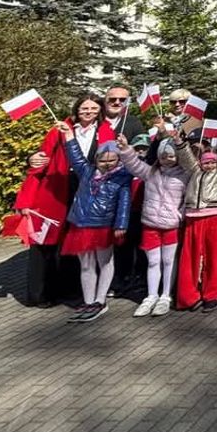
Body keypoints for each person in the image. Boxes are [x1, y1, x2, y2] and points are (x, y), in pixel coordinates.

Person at [11, 94, 116, 307]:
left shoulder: (106, 132)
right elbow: (40, 161)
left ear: (100, 111)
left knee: (76, 241)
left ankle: (70, 290)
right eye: (84, 108)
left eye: (94, 109)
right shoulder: (59, 130)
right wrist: (30, 162)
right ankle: (40, 294)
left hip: (88, 192)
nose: (88, 112)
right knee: (46, 242)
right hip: (56, 189)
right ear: (77, 110)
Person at [58, 131, 131, 323]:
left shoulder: (122, 177)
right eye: (103, 160)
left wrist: (121, 224)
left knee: (105, 262)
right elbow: (76, 157)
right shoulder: (87, 171)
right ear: (96, 159)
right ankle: (88, 300)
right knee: (86, 265)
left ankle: (100, 300)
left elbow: (125, 202)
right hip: (81, 223)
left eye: (112, 160)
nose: (107, 164)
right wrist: (69, 137)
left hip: (103, 225)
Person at [118, 126, 188, 317]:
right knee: (153, 262)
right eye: (164, 155)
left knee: (168, 261)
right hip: (150, 224)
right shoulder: (150, 172)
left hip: (171, 225)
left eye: (172, 155)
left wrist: (179, 216)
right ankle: (151, 295)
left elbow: (188, 200)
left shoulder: (184, 175)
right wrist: (125, 148)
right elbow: (133, 163)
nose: (168, 159)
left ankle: (166, 295)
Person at [176, 131, 217, 312]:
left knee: (215, 256)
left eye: (212, 162)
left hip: (213, 217)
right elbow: (186, 158)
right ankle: (189, 296)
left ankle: (213, 294)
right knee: (190, 257)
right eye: (205, 162)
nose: (209, 165)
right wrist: (179, 142)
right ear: (200, 163)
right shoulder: (195, 171)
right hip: (193, 217)